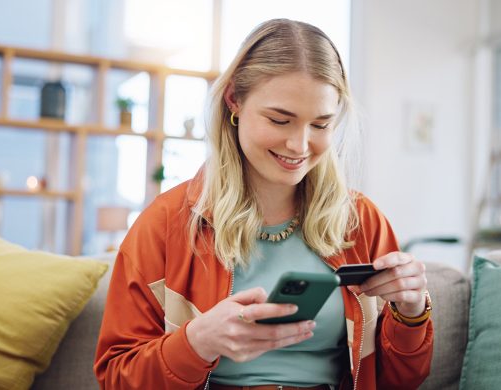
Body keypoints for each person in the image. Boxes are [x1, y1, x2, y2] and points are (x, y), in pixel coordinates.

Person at [94, 18, 433, 390]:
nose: (300, 146)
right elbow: (116, 378)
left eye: (320, 125)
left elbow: (400, 382)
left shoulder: (361, 221)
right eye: (280, 120)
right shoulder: (166, 224)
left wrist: (412, 312)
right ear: (234, 101)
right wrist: (196, 343)